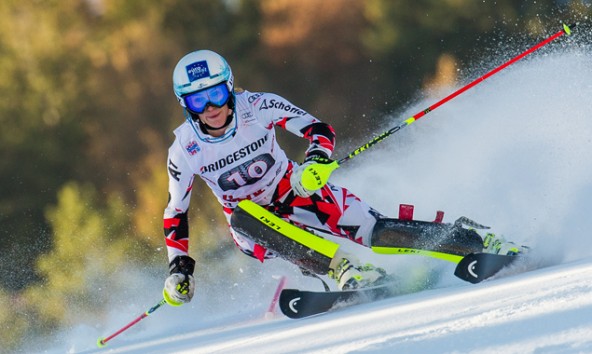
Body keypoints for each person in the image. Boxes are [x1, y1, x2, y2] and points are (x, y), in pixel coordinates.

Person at [161, 50, 525, 306]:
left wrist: (315, 162)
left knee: (375, 232)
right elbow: (176, 212)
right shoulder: (185, 149)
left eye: (216, 94)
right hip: (254, 226)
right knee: (243, 219)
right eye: (197, 101)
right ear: (185, 105)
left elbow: (318, 129)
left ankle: (475, 240)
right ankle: (340, 271)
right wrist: (179, 268)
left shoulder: (257, 106)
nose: (210, 108)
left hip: (295, 190)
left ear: (229, 87)